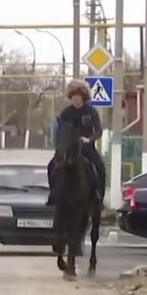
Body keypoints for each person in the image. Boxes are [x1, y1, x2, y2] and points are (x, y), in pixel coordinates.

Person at [46, 78, 106, 206]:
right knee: (51, 166)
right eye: (73, 97)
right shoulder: (66, 113)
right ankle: (53, 194)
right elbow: (60, 131)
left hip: (86, 149)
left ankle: (98, 194)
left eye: (78, 97)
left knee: (100, 167)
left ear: (83, 97)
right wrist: (60, 144)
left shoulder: (91, 111)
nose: (76, 99)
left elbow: (99, 130)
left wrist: (89, 139)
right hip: (68, 149)